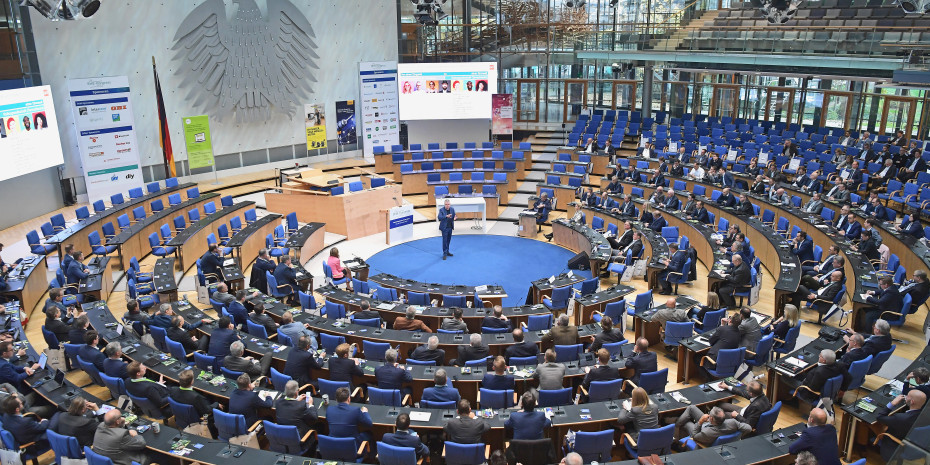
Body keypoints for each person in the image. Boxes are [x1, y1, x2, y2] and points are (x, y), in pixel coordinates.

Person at [675, 405, 751, 447]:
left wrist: (700, 422)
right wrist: (737, 436)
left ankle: (676, 437)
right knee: (691, 408)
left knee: (686, 423)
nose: (708, 414)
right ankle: (676, 423)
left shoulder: (707, 433)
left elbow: (695, 436)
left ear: (711, 418)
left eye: (709, 413)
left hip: (702, 434)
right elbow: (749, 428)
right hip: (709, 425)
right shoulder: (733, 422)